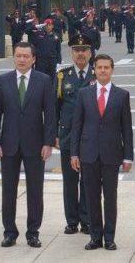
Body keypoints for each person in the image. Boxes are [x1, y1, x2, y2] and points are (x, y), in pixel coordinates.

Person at [0, 42, 56, 247]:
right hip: (8, 144)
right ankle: (9, 231)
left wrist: (48, 142)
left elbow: (51, 114)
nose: (21, 59)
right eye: (18, 56)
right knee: (8, 190)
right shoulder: (3, 80)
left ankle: (33, 231)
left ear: (33, 59)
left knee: (35, 190)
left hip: (35, 145)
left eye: (26, 56)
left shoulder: (44, 80)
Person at [70, 53, 134, 251]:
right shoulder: (84, 93)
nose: (103, 71)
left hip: (111, 154)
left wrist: (128, 156)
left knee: (110, 197)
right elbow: (77, 126)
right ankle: (95, 237)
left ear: (112, 70)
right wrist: (74, 153)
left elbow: (126, 128)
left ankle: (109, 237)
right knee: (91, 197)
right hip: (88, 154)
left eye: (106, 68)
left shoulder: (121, 95)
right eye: (99, 68)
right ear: (94, 70)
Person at [56, 35, 95, 235]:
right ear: (71, 53)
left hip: (90, 137)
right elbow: (55, 108)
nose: (80, 53)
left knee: (87, 180)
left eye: (84, 49)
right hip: (68, 137)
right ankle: (71, 220)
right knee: (70, 181)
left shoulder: (98, 76)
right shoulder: (63, 76)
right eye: (76, 50)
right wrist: (54, 134)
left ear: (90, 52)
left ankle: (86, 219)